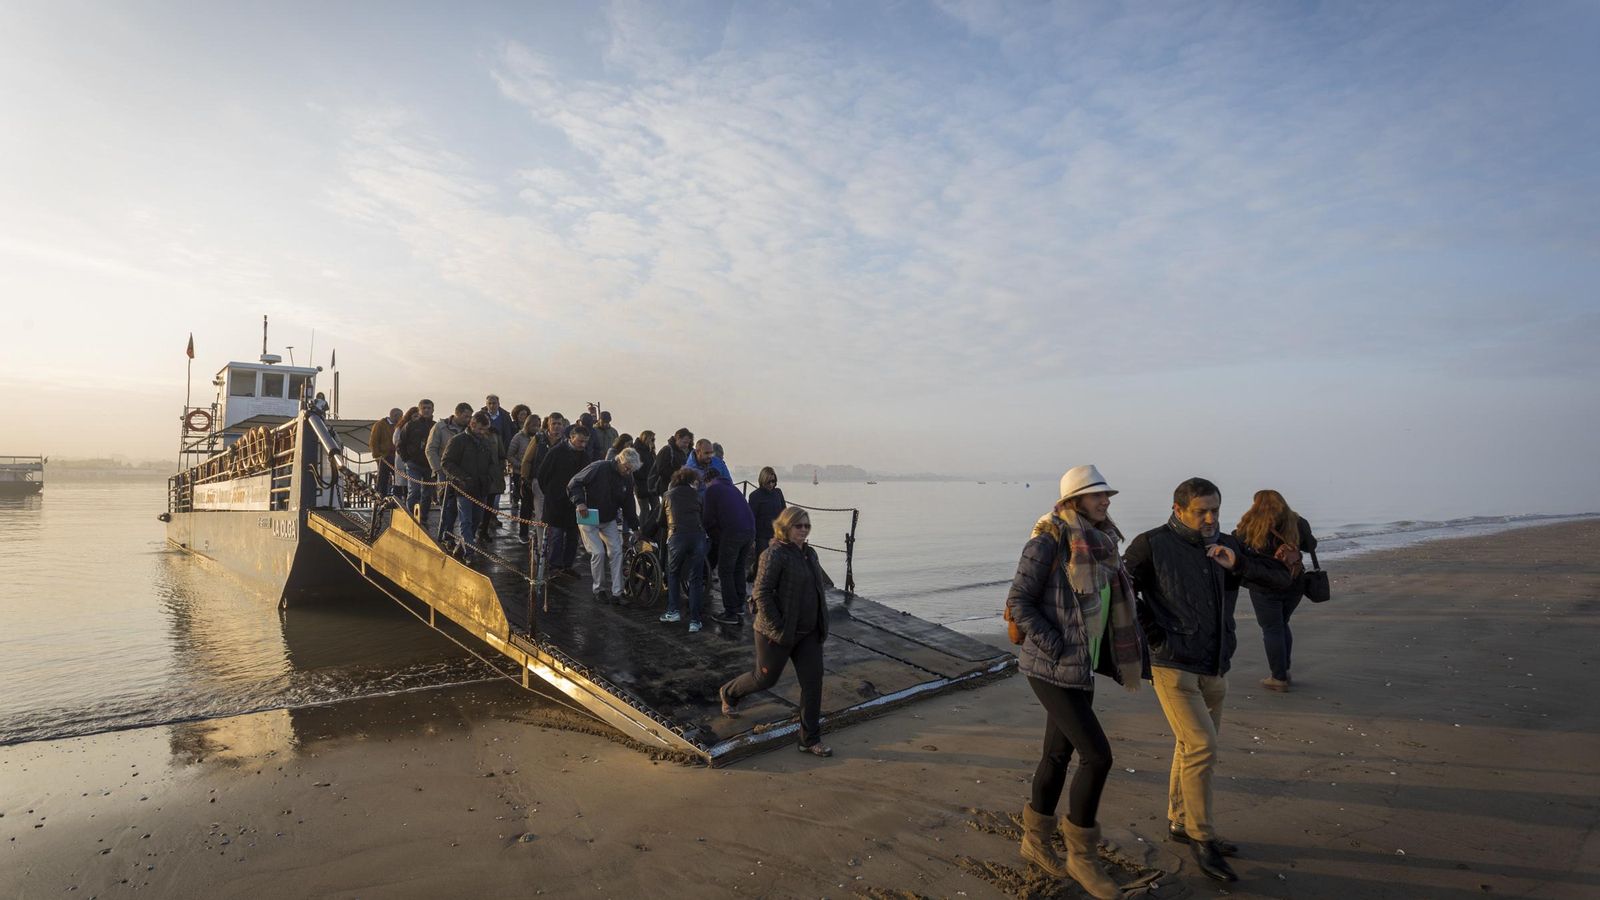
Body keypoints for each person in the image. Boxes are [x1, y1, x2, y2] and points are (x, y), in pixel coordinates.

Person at [1125, 477, 1292, 883]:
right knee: (1202, 746)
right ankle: (1203, 838)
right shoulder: (1151, 544)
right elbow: (1121, 591)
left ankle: (1180, 822)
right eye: (1201, 510)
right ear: (1179, 508)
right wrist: (1156, 635)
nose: (1210, 517)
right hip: (1172, 666)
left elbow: (1280, 579)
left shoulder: (1228, 545)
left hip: (1216, 665)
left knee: (1190, 747)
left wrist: (1239, 565)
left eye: (1215, 508)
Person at [1005, 465, 1143, 898]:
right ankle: (1082, 858)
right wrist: (1058, 646)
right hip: (1051, 667)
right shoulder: (1048, 539)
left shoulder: (1103, 543)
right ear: (1074, 501)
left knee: (1057, 755)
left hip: (1081, 665)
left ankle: (1035, 840)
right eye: (1097, 495)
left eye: (1106, 496)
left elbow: (1107, 600)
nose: (1106, 501)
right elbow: (1019, 602)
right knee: (1097, 756)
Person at [717, 507, 833, 758]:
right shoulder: (773, 555)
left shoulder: (810, 554)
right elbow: (761, 593)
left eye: (806, 526)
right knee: (765, 679)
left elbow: (819, 589)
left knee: (813, 683)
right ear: (785, 527)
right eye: (798, 526)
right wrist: (778, 627)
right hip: (776, 633)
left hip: (809, 633)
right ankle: (729, 692)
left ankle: (809, 739)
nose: (803, 530)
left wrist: (822, 622)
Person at [1234, 490, 1319, 692]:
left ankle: (1278, 677)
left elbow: (1237, 545)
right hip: (1294, 582)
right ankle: (1284, 671)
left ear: (1256, 505)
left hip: (1264, 585)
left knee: (1272, 628)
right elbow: (1311, 546)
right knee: (1282, 624)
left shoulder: (1251, 524)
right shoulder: (1298, 522)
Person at [568, 448, 642, 603]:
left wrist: (635, 527)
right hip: (588, 515)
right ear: (620, 460)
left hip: (608, 518)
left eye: (631, 470)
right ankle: (599, 589)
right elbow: (574, 483)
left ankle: (617, 593)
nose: (628, 472)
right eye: (627, 468)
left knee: (616, 551)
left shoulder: (628, 478)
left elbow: (629, 504)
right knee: (598, 553)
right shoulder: (599, 467)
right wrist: (580, 502)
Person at [440, 412, 497, 562]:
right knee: (466, 520)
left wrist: (489, 478)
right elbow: (446, 462)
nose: (483, 432)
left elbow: (492, 463)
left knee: (476, 520)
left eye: (485, 429)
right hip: (463, 487)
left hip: (481, 487)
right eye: (480, 429)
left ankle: (462, 546)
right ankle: (469, 553)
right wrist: (463, 477)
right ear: (472, 425)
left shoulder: (485, 442)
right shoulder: (458, 441)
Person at [537, 423, 591, 576]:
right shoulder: (556, 452)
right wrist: (550, 493)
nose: (583, 444)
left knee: (573, 537)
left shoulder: (585, 456)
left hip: (574, 503)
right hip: (556, 501)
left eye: (585, 441)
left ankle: (567, 565)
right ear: (571, 438)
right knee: (557, 536)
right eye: (580, 441)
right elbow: (543, 474)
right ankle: (554, 566)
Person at [659, 467, 708, 632]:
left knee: (673, 573)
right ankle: (695, 621)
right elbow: (703, 517)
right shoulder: (698, 496)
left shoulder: (668, 495)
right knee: (695, 579)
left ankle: (673, 611)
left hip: (677, 537)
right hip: (697, 536)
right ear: (691, 481)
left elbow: (660, 520)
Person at [704, 469, 756, 626]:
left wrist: (710, 534)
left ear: (707, 481)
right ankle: (740, 605)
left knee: (725, 571)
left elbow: (708, 519)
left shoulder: (712, 490)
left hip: (733, 532)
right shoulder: (732, 488)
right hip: (750, 531)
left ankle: (730, 612)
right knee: (739, 568)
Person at [427, 403, 473, 547]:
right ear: (457, 414)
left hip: (462, 472)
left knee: (462, 507)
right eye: (466, 416)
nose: (469, 419)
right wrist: (438, 470)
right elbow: (431, 449)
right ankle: (446, 535)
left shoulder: (469, 430)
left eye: (470, 416)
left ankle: (461, 538)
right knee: (447, 505)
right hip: (445, 471)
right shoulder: (440, 428)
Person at [395, 399, 435, 522]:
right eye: (424, 408)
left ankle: (423, 517)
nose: (427, 410)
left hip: (430, 464)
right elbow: (400, 443)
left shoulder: (435, 426)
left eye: (429, 408)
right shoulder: (411, 425)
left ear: (433, 410)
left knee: (427, 493)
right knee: (414, 490)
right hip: (414, 463)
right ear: (420, 410)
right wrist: (406, 459)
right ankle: (411, 516)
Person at [746, 467, 786, 580]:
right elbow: (751, 517)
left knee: (777, 562)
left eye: (773, 481)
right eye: (769, 482)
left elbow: (784, 512)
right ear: (762, 481)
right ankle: (754, 579)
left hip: (777, 534)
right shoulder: (755, 496)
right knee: (762, 562)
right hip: (762, 535)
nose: (771, 484)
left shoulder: (778, 493)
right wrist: (752, 538)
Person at [508, 414, 540, 544]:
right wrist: (520, 466)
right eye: (534, 425)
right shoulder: (518, 437)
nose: (536, 428)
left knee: (538, 506)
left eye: (538, 425)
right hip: (522, 474)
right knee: (526, 505)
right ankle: (523, 532)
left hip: (537, 474)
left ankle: (537, 531)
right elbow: (510, 454)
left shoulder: (541, 438)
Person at [369, 407, 402, 499]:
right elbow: (374, 441)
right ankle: (381, 495)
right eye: (400, 416)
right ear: (395, 416)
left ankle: (397, 496)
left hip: (396, 456)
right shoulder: (380, 425)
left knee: (398, 477)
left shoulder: (399, 426)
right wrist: (377, 456)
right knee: (383, 478)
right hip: (384, 456)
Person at [506, 405, 533, 518]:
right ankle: (515, 502)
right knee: (518, 488)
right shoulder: (515, 431)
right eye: (521, 414)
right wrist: (519, 464)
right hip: (518, 467)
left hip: (532, 469)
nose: (523, 416)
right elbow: (510, 453)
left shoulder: (537, 435)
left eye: (525, 414)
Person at [651, 428, 693, 496]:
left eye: (688, 443)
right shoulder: (667, 450)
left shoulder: (681, 452)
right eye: (684, 442)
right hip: (667, 488)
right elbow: (661, 470)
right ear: (677, 438)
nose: (686, 445)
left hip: (678, 487)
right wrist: (679, 471)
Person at [633, 431, 658, 529]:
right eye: (652, 439)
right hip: (641, 483)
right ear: (646, 438)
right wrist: (645, 477)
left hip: (651, 482)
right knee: (644, 508)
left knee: (656, 506)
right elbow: (636, 469)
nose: (653, 441)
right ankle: (643, 530)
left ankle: (651, 527)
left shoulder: (650, 450)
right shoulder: (637, 450)